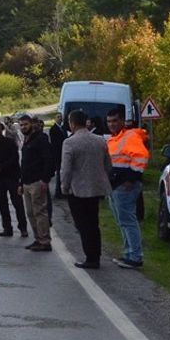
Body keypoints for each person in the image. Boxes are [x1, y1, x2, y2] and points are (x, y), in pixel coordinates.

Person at [60, 110, 112, 269]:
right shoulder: (100, 140)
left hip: (78, 190)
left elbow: (66, 169)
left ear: (72, 123)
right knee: (93, 222)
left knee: (82, 224)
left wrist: (64, 186)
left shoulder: (69, 142)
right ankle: (95, 255)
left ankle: (90, 257)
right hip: (95, 188)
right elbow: (108, 164)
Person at [106, 106, 149, 268]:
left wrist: (131, 178)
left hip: (125, 186)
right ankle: (129, 254)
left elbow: (141, 157)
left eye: (115, 121)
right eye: (109, 121)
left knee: (128, 221)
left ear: (123, 121)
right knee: (122, 221)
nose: (112, 124)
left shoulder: (129, 136)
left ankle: (135, 256)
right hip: (116, 186)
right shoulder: (114, 139)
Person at [17, 113, 54, 252]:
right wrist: (20, 183)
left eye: (26, 124)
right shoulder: (26, 140)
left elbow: (48, 160)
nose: (23, 127)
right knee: (30, 213)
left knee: (40, 212)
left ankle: (45, 240)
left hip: (37, 181)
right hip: (26, 182)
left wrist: (45, 179)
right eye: (21, 125)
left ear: (32, 124)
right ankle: (38, 238)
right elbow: (24, 163)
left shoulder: (41, 139)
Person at [48, 112, 68, 199]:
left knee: (63, 174)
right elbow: (54, 143)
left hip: (64, 153)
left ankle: (62, 191)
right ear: (55, 119)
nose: (60, 118)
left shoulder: (63, 128)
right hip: (57, 154)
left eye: (61, 117)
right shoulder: (53, 129)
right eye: (58, 117)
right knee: (59, 174)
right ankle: (58, 193)